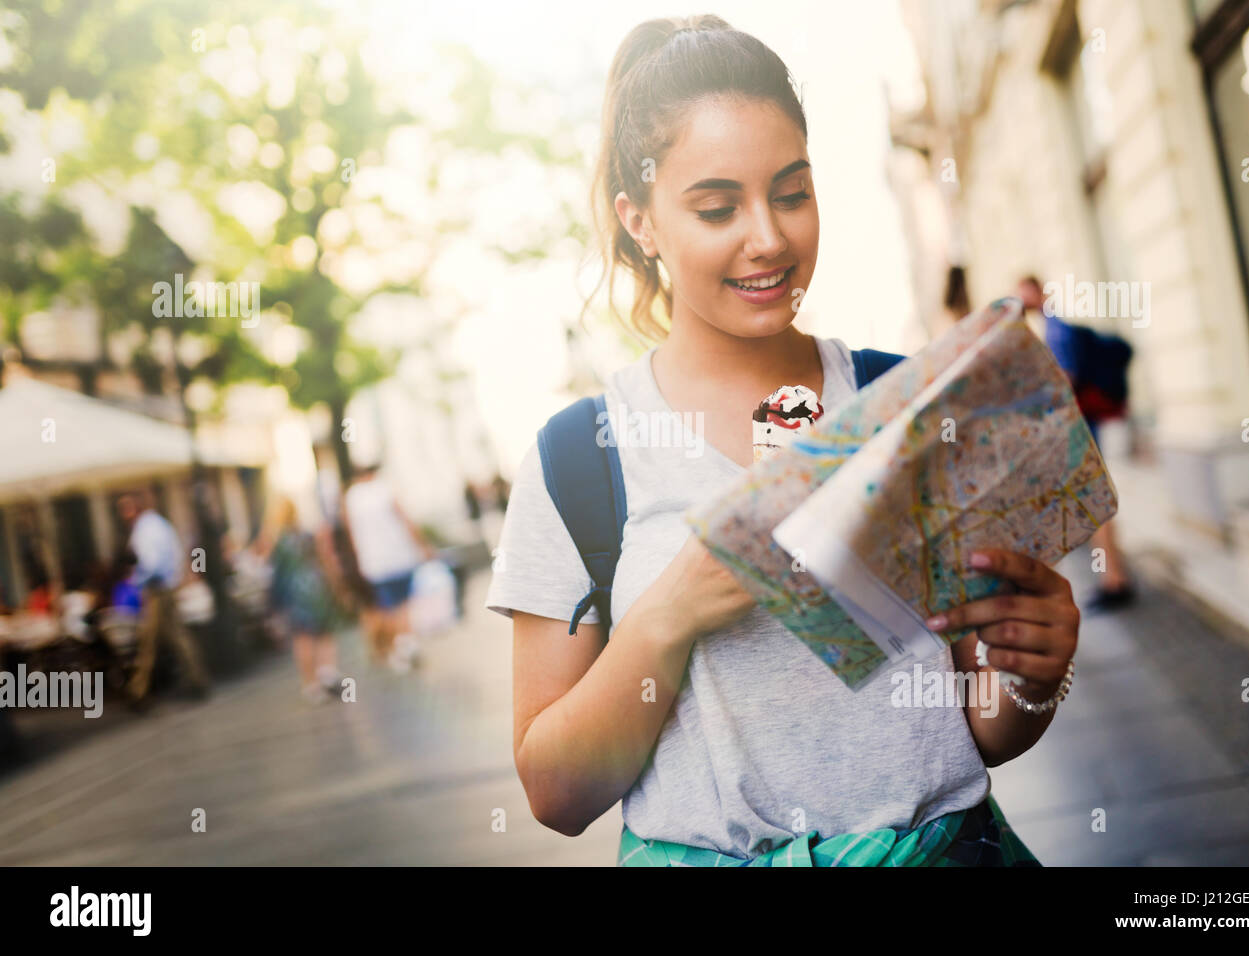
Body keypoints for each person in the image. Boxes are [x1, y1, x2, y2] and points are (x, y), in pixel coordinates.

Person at [486, 16, 1082, 867]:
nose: (768, 237)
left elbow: (978, 733)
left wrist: (1034, 673)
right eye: (717, 206)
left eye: (792, 192)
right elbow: (556, 794)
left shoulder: (905, 401)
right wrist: (674, 610)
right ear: (641, 222)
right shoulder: (579, 460)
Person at [1018, 275, 1137, 610]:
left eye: (1023, 293)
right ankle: (1112, 580)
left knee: (1095, 509)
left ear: (1037, 292)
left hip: (1078, 434)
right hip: (1079, 433)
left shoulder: (1055, 329)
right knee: (1092, 509)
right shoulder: (1049, 327)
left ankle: (1115, 581)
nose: (1020, 300)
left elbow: (1065, 382)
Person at [116, 490, 210, 708]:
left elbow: (151, 563)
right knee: (175, 635)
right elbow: (176, 553)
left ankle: (138, 692)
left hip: (157, 589)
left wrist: (137, 580)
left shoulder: (145, 529)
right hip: (166, 586)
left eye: (125, 508)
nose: (123, 514)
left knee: (148, 640)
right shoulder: (160, 524)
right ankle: (196, 680)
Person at [341, 464, 433, 673]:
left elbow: (351, 534)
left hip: (373, 563)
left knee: (388, 607)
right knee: (404, 605)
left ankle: (399, 647)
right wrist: (423, 545)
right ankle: (407, 643)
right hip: (399, 557)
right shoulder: (384, 489)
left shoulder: (351, 497)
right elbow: (406, 520)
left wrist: (359, 559)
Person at [259, 496, 345, 705]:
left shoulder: (275, 540)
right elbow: (323, 558)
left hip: (293, 592)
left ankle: (311, 685)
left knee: (302, 638)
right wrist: (334, 584)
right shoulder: (305, 534)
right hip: (315, 586)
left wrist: (274, 599)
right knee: (324, 631)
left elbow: (270, 570)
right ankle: (328, 672)